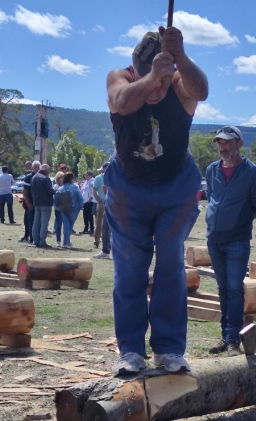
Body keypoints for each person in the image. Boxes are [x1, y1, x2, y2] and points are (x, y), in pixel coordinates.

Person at [105, 26, 208, 375]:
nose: (159, 89)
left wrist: (180, 57)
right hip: (127, 188)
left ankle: (169, 348)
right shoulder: (120, 79)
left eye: (164, 80)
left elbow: (202, 91)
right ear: (135, 70)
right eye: (150, 78)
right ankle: (131, 350)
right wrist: (152, 78)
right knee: (129, 269)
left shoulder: (181, 83)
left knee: (169, 264)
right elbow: (121, 102)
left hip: (176, 185)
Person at [205, 126, 256, 356]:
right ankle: (226, 336)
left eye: (228, 143)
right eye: (220, 143)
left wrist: (237, 221)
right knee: (222, 289)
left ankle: (233, 340)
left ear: (239, 144)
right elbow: (212, 198)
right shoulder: (212, 170)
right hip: (214, 239)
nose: (223, 147)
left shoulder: (252, 172)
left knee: (234, 289)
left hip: (237, 240)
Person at [54, 172, 85, 248]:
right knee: (70, 225)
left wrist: (58, 207)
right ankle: (67, 242)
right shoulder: (74, 187)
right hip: (74, 209)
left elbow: (55, 200)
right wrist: (81, 206)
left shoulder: (60, 189)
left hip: (63, 209)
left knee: (66, 225)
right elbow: (81, 198)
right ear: (71, 179)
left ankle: (66, 242)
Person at [31, 163, 54, 248]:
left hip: (36, 203)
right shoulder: (46, 179)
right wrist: (54, 189)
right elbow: (51, 191)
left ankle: (35, 241)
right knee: (44, 223)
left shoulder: (34, 177)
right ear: (46, 170)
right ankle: (42, 241)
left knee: (36, 223)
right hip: (46, 203)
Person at [93, 162, 110, 257]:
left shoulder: (115, 177)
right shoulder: (101, 178)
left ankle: (108, 249)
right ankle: (105, 250)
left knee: (110, 227)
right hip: (107, 203)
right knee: (104, 226)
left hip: (115, 205)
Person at [20, 161, 38, 243]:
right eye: (35, 167)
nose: (37, 169)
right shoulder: (28, 177)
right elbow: (25, 191)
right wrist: (28, 203)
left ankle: (36, 238)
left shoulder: (41, 176)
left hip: (39, 203)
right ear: (32, 168)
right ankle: (31, 238)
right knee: (29, 221)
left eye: (38, 167)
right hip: (31, 203)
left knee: (37, 221)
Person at [52, 171, 65, 247]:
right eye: (61, 177)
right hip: (58, 209)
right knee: (59, 225)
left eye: (63, 177)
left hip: (65, 208)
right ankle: (58, 240)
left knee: (66, 225)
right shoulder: (55, 187)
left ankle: (66, 241)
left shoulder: (66, 186)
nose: (63, 179)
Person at [81, 170, 95, 235]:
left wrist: (90, 198)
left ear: (90, 175)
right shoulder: (86, 181)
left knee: (90, 215)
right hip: (84, 200)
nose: (85, 176)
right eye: (85, 175)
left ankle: (91, 228)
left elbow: (93, 190)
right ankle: (86, 228)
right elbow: (83, 189)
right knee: (85, 215)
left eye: (87, 175)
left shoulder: (92, 181)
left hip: (89, 200)